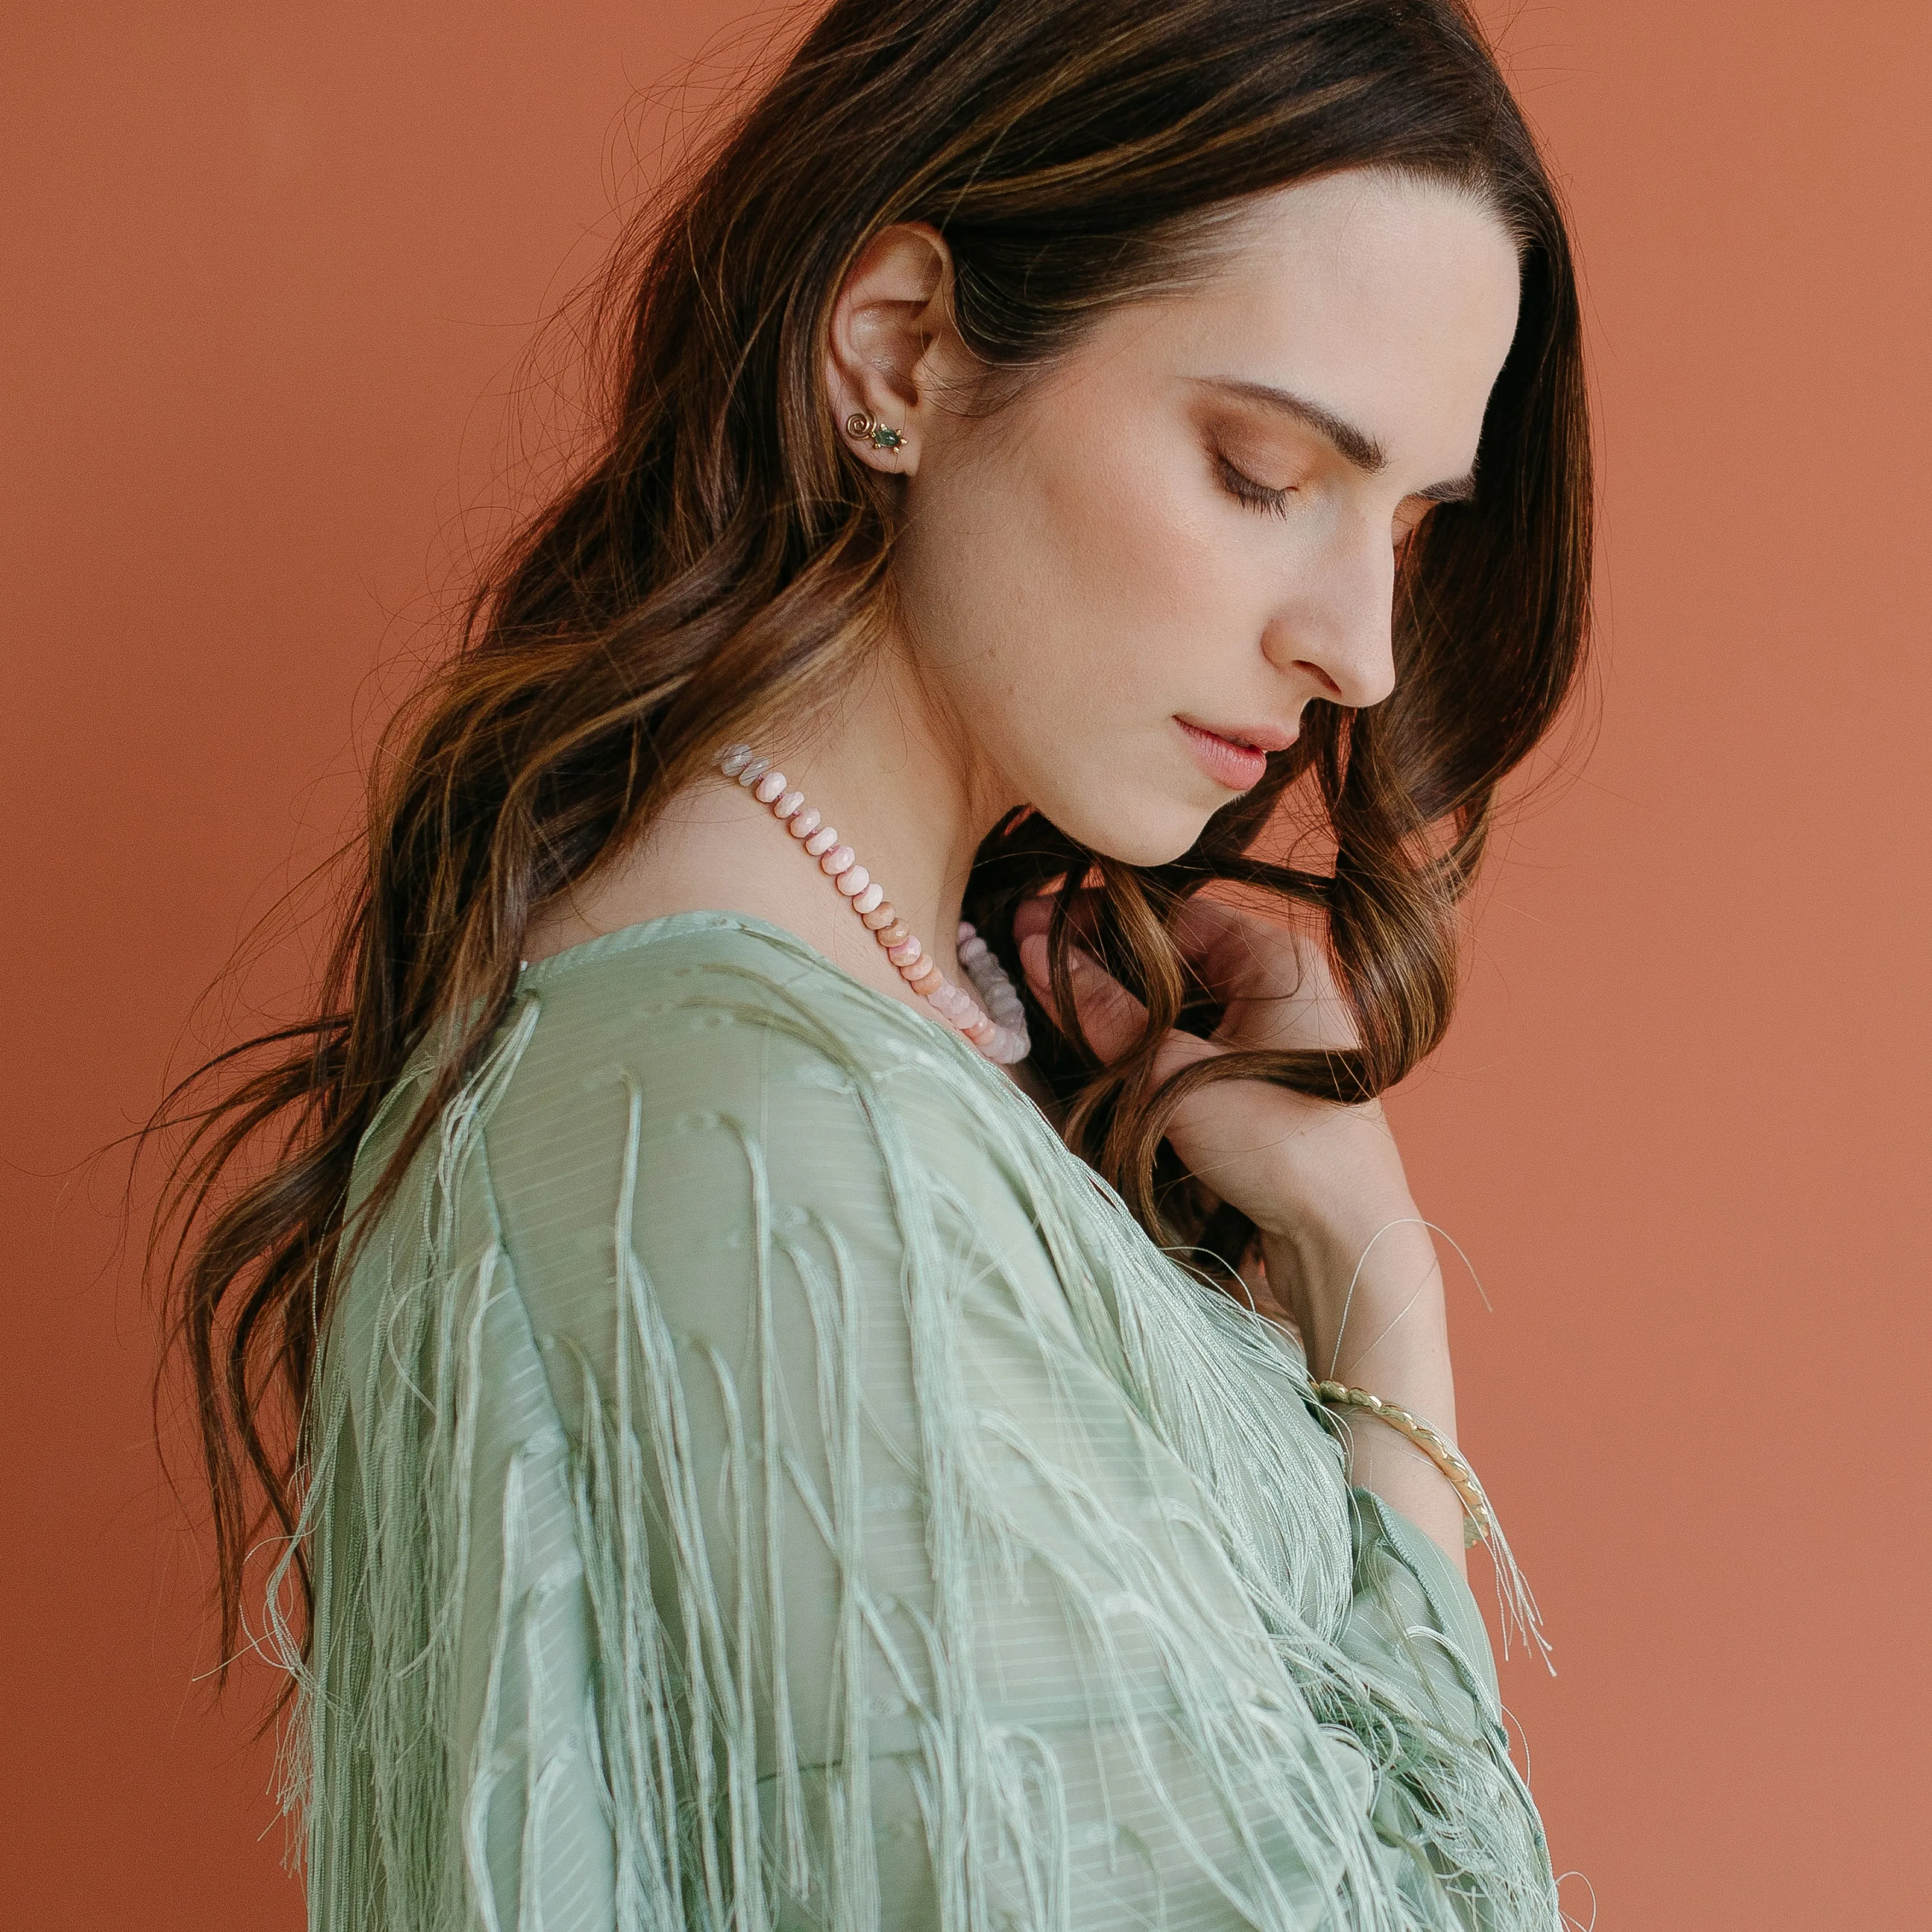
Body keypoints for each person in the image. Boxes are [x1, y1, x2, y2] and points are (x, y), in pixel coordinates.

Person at [156, 1, 1593, 1925]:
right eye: (1263, 473)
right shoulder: (761, 1136)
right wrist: (1379, 1303)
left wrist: (1349, 1258)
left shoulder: (866, 1039)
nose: (1365, 648)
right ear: (898, 354)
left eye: (1408, 522)